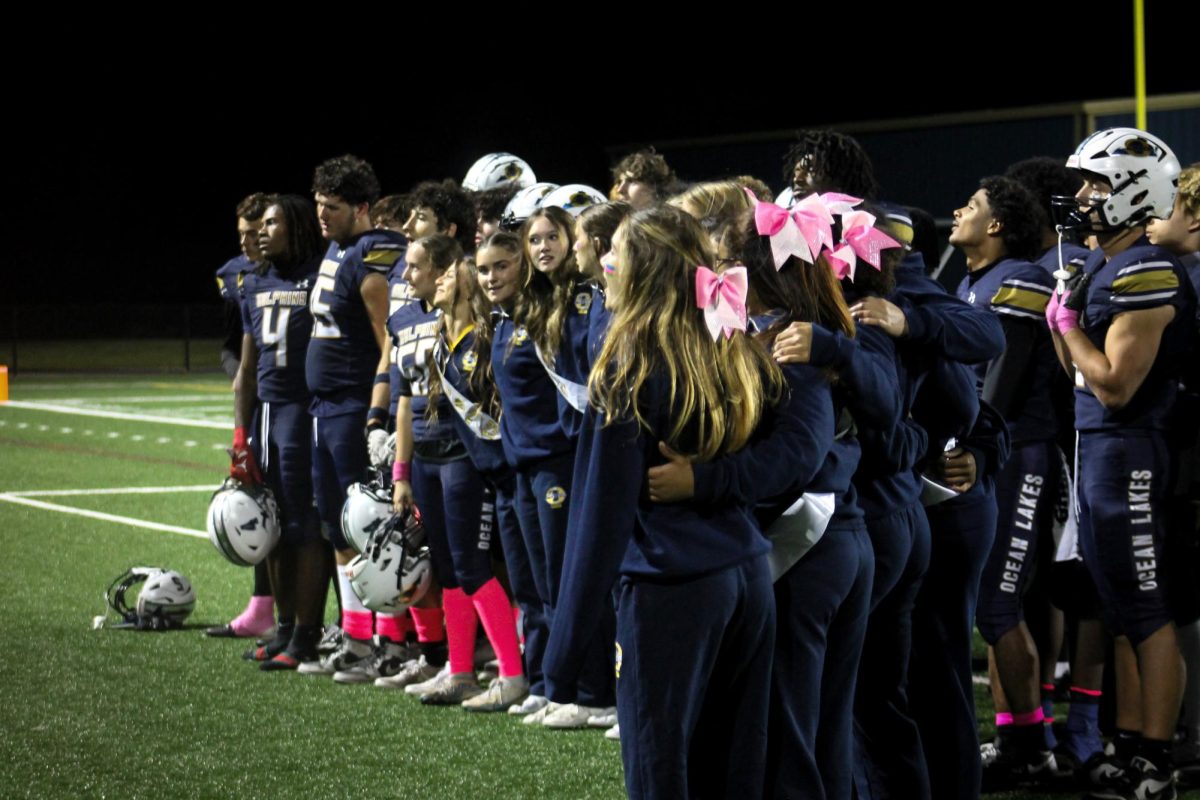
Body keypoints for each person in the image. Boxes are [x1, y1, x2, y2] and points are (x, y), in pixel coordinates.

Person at [543, 205, 781, 798]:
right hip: (749, 575)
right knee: (733, 773)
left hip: (671, 585)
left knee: (659, 771)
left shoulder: (630, 362)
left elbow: (599, 517)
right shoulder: (728, 342)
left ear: (643, 269)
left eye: (616, 251)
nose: (604, 262)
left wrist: (564, 651)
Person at [1047, 127, 1191, 799]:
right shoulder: (1107, 264)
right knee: (1118, 606)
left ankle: (1158, 759)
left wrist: (1067, 324)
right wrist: (1068, 316)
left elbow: (1113, 383)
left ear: (1136, 190)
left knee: (1147, 607)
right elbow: (1074, 376)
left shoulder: (1145, 271)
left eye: (1096, 184)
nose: (1082, 197)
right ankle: (1132, 741)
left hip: (1131, 449)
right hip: (1100, 447)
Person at [947, 176, 1061, 789]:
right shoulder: (972, 283)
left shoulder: (1019, 280)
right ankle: (1018, 733)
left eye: (973, 204)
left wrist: (969, 443)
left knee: (999, 604)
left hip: (1015, 453)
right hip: (987, 451)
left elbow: (1002, 385)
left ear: (996, 226)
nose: (960, 208)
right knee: (989, 607)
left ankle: (1033, 746)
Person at [383, 234, 526, 706]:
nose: (435, 282)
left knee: (471, 566)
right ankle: (460, 669)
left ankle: (511, 673)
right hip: (428, 460)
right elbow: (406, 401)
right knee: (448, 569)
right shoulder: (438, 332)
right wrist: (402, 469)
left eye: (445, 275)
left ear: (462, 285)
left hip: (465, 462)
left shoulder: (482, 339)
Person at [297, 154, 407, 677]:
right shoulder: (337, 248)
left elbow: (391, 340)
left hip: (352, 406)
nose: (322, 214)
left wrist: (379, 413)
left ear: (362, 208)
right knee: (336, 526)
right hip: (325, 407)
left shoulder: (373, 254)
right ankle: (356, 636)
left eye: (333, 207)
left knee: (367, 526)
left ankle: (388, 643)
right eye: (319, 204)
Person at [229, 194, 328, 669]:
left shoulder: (321, 273)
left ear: (298, 228)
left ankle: (307, 634)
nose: (262, 232)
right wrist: (239, 434)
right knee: (271, 525)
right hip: (267, 412)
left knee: (306, 525)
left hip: (305, 411)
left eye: (272, 224)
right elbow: (246, 369)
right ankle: (284, 627)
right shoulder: (253, 281)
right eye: (260, 224)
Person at [208, 190, 275, 640]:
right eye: (243, 234)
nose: (249, 242)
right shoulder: (232, 276)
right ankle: (263, 606)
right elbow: (230, 346)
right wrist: (240, 377)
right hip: (256, 397)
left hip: (291, 399)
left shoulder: (293, 272)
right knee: (259, 500)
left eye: (257, 232)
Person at [610, 149, 676, 209]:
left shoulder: (675, 220)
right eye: (620, 182)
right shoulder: (617, 220)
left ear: (653, 186)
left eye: (631, 181)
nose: (620, 190)